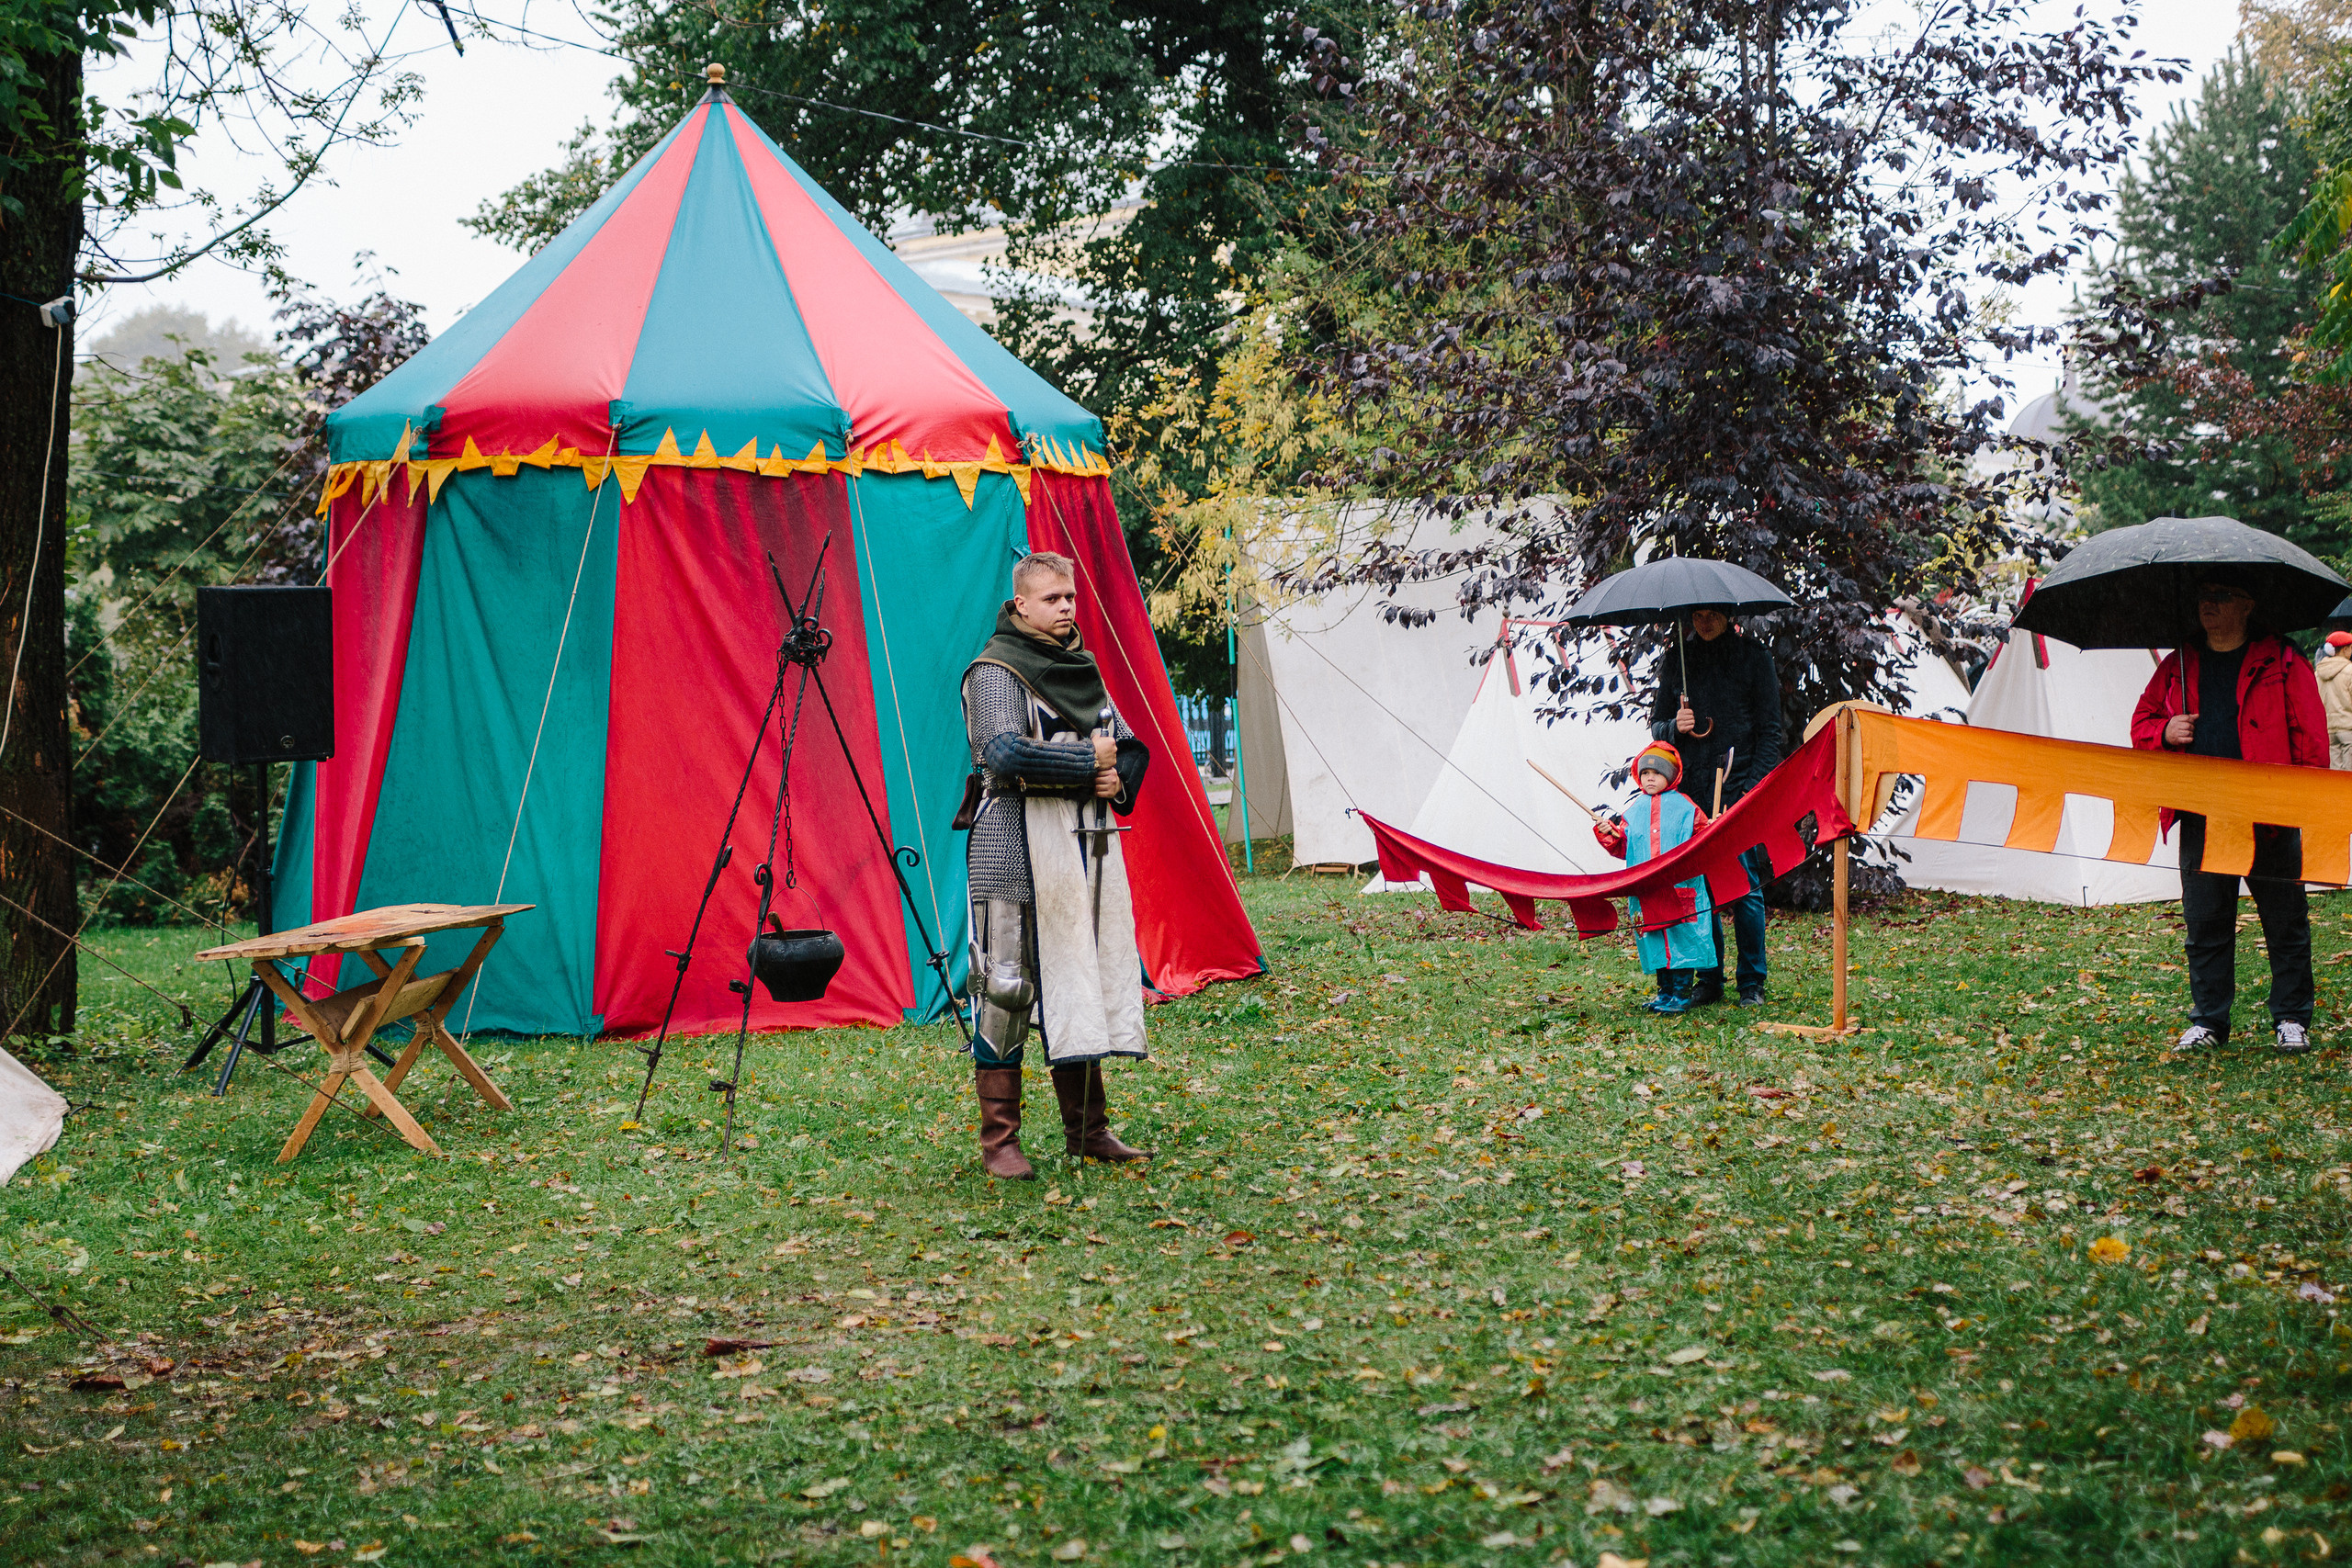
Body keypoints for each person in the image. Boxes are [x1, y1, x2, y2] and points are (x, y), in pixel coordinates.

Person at [958, 552, 1154, 1179]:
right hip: (1010, 838)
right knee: (1007, 985)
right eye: (1052, 599)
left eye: (1070, 596)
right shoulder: (995, 670)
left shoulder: (1080, 667)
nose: (1066, 607)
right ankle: (1000, 1142)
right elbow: (1002, 750)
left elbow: (1125, 746)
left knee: (1079, 972)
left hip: (1079, 840)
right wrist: (1085, 762)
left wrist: (1112, 775)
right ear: (1020, 606)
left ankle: (1088, 1128)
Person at [2129, 578, 2328, 1055]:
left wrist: (2305, 803)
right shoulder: (2180, 662)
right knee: (2205, 921)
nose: (2207, 605)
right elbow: (2141, 724)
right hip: (2201, 810)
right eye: (2203, 597)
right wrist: (2165, 730)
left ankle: (2292, 1017)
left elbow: (2311, 735)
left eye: (2220, 597)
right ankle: (2209, 1021)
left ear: (2247, 605)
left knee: (2285, 920)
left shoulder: (2282, 658)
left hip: (2269, 811)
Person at [1647, 607, 1782, 1005]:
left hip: (1738, 788)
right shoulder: (1677, 660)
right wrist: (1676, 727)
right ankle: (1710, 979)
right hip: (1691, 793)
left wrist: (1749, 790)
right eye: (1697, 616)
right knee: (1700, 889)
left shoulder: (1754, 658)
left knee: (1744, 887)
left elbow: (1770, 732)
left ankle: (1751, 983)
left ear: (1727, 615)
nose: (1704, 622)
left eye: (1712, 615)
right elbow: (1656, 727)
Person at [1592, 742, 1717, 1014]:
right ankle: (1665, 993)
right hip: (1647, 890)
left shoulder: (1687, 808)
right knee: (1656, 938)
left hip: (1680, 888)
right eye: (1645, 772)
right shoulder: (1634, 812)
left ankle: (1682, 993)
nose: (1650, 777)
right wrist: (1609, 833)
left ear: (1670, 776)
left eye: (1657, 772)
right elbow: (1624, 846)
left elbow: (1703, 839)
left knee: (1681, 936)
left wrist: (1713, 829)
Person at [2318, 630, 2352, 769]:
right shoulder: (2350, 670)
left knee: (2336, 775)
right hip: (2349, 728)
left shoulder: (2318, 673)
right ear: (2344, 649)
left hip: (2329, 730)